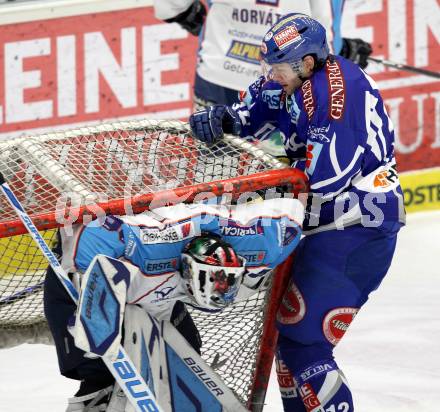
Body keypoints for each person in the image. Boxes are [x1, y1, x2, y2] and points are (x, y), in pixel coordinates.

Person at [189, 13, 406, 411]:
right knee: (291, 346)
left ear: (307, 63)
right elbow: (256, 107)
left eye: (278, 67)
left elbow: (323, 183)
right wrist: (226, 119)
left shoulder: (338, 98)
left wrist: (257, 199)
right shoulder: (295, 76)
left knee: (305, 344)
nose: (271, 75)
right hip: (331, 222)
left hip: (359, 227)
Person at [44, 197, 304, 411]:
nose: (222, 288)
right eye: (216, 280)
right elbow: (89, 237)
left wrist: (226, 222)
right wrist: (94, 311)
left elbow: (293, 216)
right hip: (76, 279)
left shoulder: (262, 246)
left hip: (154, 293)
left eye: (227, 282)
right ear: (189, 270)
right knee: (99, 373)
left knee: (187, 350)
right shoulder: (148, 244)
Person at [154, 0, 372, 157]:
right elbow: (325, 29)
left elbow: (168, 6)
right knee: (277, 183)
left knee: (212, 174)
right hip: (281, 84)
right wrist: (339, 52)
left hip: (216, 71)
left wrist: (193, 17)